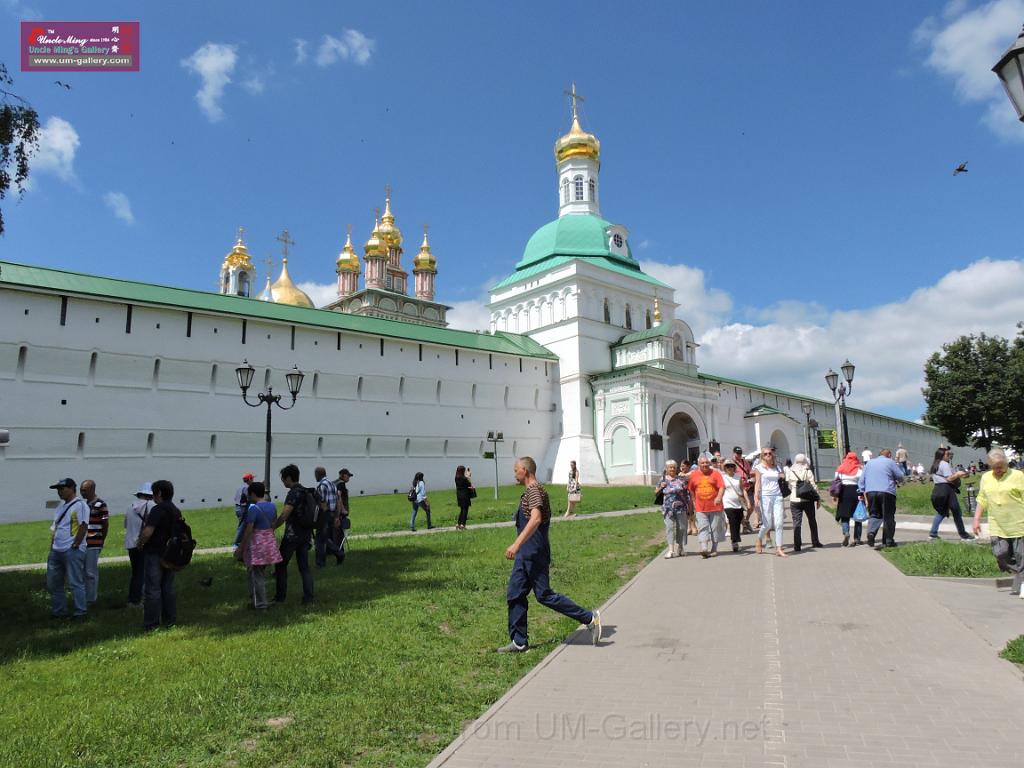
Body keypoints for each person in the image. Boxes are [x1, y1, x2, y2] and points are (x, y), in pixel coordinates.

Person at [498, 456, 602, 653]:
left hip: (534, 552)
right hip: (525, 554)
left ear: (525, 471)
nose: (514, 473)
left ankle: (589, 618)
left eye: (516, 470)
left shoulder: (534, 490)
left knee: (544, 595)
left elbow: (536, 518)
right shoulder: (531, 491)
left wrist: (516, 544)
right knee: (515, 593)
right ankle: (519, 641)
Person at [972, 449, 1024, 595]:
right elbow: (982, 499)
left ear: (1006, 463)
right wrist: (976, 519)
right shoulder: (986, 478)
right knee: (1000, 554)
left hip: (1018, 522)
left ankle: (1022, 583)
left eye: (1001, 466)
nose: (998, 470)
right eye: (995, 467)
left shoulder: (1018, 475)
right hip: (997, 524)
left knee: (1021, 555)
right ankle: (1020, 573)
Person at [136, 480, 180, 631]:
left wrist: (140, 543)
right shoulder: (175, 510)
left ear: (159, 493)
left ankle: (152, 623)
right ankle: (170, 620)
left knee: (153, 588)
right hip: (171, 553)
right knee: (168, 587)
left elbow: (148, 531)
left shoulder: (157, 509)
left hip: (155, 552)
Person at [46, 478, 88, 620]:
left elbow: (83, 525)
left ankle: (80, 612)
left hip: (72, 550)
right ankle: (59, 612)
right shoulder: (60, 508)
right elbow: (55, 528)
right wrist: (52, 547)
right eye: (58, 489)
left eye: (62, 489)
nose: (59, 492)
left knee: (75, 582)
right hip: (56, 551)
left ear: (71, 488)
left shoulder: (80, 505)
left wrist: (76, 544)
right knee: (54, 583)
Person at [236, 481, 282, 609]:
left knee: (257, 575)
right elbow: (273, 523)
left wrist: (241, 547)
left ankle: (261, 604)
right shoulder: (272, 506)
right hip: (269, 543)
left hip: (258, 545)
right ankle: (255, 599)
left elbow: (248, 530)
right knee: (258, 572)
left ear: (253, 494)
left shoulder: (253, 509)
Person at [273, 464, 314, 604]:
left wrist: (273, 527)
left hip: (292, 535)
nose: (283, 482)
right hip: (305, 534)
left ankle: (280, 597)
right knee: (304, 567)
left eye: (284, 480)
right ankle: (308, 597)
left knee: (280, 565)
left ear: (289, 478)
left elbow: (285, 514)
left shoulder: (293, 493)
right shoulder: (305, 491)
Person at [858, 448, 905, 549]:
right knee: (888, 516)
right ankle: (888, 541)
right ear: (889, 455)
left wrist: (862, 490)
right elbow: (900, 476)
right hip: (886, 492)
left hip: (871, 492)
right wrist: (898, 480)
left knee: (874, 514)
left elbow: (862, 480)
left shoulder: (869, 463)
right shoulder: (890, 462)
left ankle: (871, 533)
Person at [928, 448, 973, 541]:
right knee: (956, 512)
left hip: (937, 489)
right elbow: (949, 478)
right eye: (947, 454)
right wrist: (958, 474)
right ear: (942, 455)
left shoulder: (935, 464)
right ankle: (964, 535)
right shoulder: (944, 464)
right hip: (947, 489)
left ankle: (933, 534)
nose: (949, 456)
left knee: (942, 512)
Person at [689, 454, 726, 558]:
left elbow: (722, 487)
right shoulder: (694, 475)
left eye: (706, 462)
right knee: (702, 527)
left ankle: (714, 549)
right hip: (701, 507)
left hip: (715, 507)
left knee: (715, 528)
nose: (705, 464)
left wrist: (719, 497)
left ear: (709, 463)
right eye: (702, 463)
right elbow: (691, 490)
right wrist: (694, 502)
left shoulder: (716, 473)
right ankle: (704, 548)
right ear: (698, 464)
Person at [124, 482, 154, 608]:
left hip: (131, 544)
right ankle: (139, 599)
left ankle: (132, 599)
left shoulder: (130, 507)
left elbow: (126, 524)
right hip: (144, 543)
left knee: (136, 573)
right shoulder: (151, 506)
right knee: (144, 573)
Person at [784, 454, 822, 551]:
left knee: (797, 523)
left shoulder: (790, 471)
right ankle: (815, 541)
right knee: (812, 520)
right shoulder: (807, 471)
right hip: (808, 499)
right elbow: (813, 485)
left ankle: (797, 545)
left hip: (794, 500)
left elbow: (789, 485)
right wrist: (818, 498)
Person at [81, 479, 109, 606]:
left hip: (94, 542)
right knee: (83, 571)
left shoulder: (101, 504)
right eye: (81, 490)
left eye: (84, 490)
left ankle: (91, 599)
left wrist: (101, 539)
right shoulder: (84, 505)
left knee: (90, 572)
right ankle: (84, 596)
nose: (82, 493)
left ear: (92, 489)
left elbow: (105, 524)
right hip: (83, 542)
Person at [754, 447, 787, 556]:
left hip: (778, 496)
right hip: (765, 496)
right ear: (762, 456)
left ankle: (779, 548)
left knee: (779, 522)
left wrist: (782, 475)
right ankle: (759, 539)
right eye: (765, 454)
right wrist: (756, 496)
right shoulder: (759, 467)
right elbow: (757, 482)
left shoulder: (777, 467)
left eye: (770, 453)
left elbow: (783, 476)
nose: (768, 455)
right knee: (767, 524)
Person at [656, 460, 688, 558]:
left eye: (674, 467)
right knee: (669, 528)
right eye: (670, 467)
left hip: (681, 507)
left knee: (681, 527)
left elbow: (686, 493)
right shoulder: (662, 479)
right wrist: (661, 487)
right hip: (668, 508)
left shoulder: (681, 479)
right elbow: (656, 493)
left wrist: (689, 506)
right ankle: (671, 550)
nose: (672, 469)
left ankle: (680, 547)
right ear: (666, 468)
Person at [833, 452, 864, 547]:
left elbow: (836, 480)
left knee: (844, 515)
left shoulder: (840, 468)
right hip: (856, 491)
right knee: (858, 515)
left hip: (844, 492)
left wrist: (835, 495)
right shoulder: (859, 469)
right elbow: (862, 481)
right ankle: (857, 538)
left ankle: (846, 532)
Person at [721, 459, 751, 552]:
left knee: (738, 522)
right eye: (728, 466)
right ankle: (734, 542)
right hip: (727, 503)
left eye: (731, 466)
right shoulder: (723, 477)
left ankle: (736, 539)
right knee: (732, 521)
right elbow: (720, 490)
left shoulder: (738, 477)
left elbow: (743, 490)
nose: (730, 468)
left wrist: (748, 501)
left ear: (734, 467)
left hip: (738, 503)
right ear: (725, 468)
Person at [313, 466, 339, 567]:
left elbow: (322, 502)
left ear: (318, 474)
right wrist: (336, 516)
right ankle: (339, 553)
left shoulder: (322, 486)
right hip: (332, 513)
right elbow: (337, 501)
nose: (315, 476)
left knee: (319, 540)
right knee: (325, 538)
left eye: (315, 474)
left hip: (324, 514)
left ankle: (321, 563)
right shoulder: (332, 484)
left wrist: (319, 516)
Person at [733, 446, 757, 532]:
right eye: (737, 453)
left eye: (740, 453)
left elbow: (750, 472)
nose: (739, 455)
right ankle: (744, 525)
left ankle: (746, 520)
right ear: (734, 453)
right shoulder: (731, 463)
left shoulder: (745, 462)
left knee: (751, 505)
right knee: (740, 508)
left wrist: (752, 478)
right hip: (737, 487)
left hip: (747, 486)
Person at [333, 468, 353, 561]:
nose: (349, 477)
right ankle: (340, 552)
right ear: (342, 475)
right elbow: (338, 496)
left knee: (335, 533)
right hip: (340, 513)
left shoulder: (335, 482)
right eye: (347, 475)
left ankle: (335, 551)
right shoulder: (341, 484)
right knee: (340, 534)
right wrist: (343, 509)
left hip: (334, 511)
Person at [232, 473, 254, 549]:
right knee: (242, 527)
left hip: (238, 508)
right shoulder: (247, 488)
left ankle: (244, 543)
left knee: (243, 526)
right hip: (243, 508)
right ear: (250, 479)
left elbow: (235, 498)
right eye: (252, 479)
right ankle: (236, 544)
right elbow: (249, 498)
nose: (253, 480)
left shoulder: (240, 487)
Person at [455, 465, 473, 530]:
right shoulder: (464, 478)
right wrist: (469, 476)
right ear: (463, 471)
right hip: (465, 495)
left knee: (462, 510)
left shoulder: (456, 477)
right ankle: (463, 524)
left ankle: (458, 524)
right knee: (465, 510)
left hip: (459, 495)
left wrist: (467, 476)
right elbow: (469, 484)